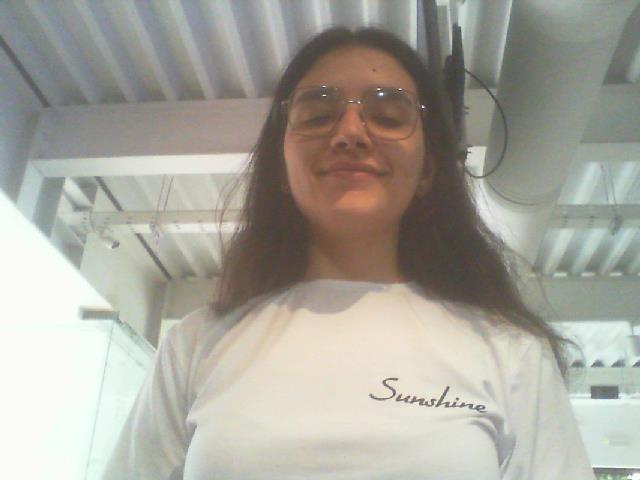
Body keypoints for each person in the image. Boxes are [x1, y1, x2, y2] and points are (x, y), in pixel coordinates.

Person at [102, 27, 595, 480]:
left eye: (388, 115)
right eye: (318, 113)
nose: (351, 133)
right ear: (281, 167)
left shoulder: (511, 353)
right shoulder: (195, 345)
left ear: (427, 171)